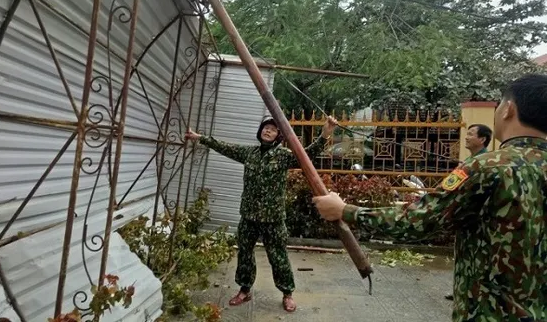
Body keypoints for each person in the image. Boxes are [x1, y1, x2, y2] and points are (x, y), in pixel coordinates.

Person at [313, 73, 547, 322]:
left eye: (500, 104)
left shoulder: (487, 167)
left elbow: (417, 221)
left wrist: (346, 210)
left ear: (508, 109)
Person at [185, 115, 337, 312]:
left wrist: (325, 133)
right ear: (260, 131)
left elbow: (307, 155)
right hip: (249, 216)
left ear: (278, 135)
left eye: (273, 129)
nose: (268, 131)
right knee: (245, 254)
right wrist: (199, 137)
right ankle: (244, 290)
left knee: (278, 257)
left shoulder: (283, 155)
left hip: (273, 218)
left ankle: (287, 293)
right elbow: (224, 147)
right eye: (266, 128)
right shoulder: (250, 153)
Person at [444, 123, 494, 301]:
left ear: (482, 139)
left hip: (477, 225)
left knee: (474, 261)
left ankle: (470, 293)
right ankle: (461, 290)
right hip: (466, 223)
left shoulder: (481, 164)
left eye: (471, 134)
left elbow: (448, 191)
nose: (466, 136)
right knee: (462, 258)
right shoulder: (471, 162)